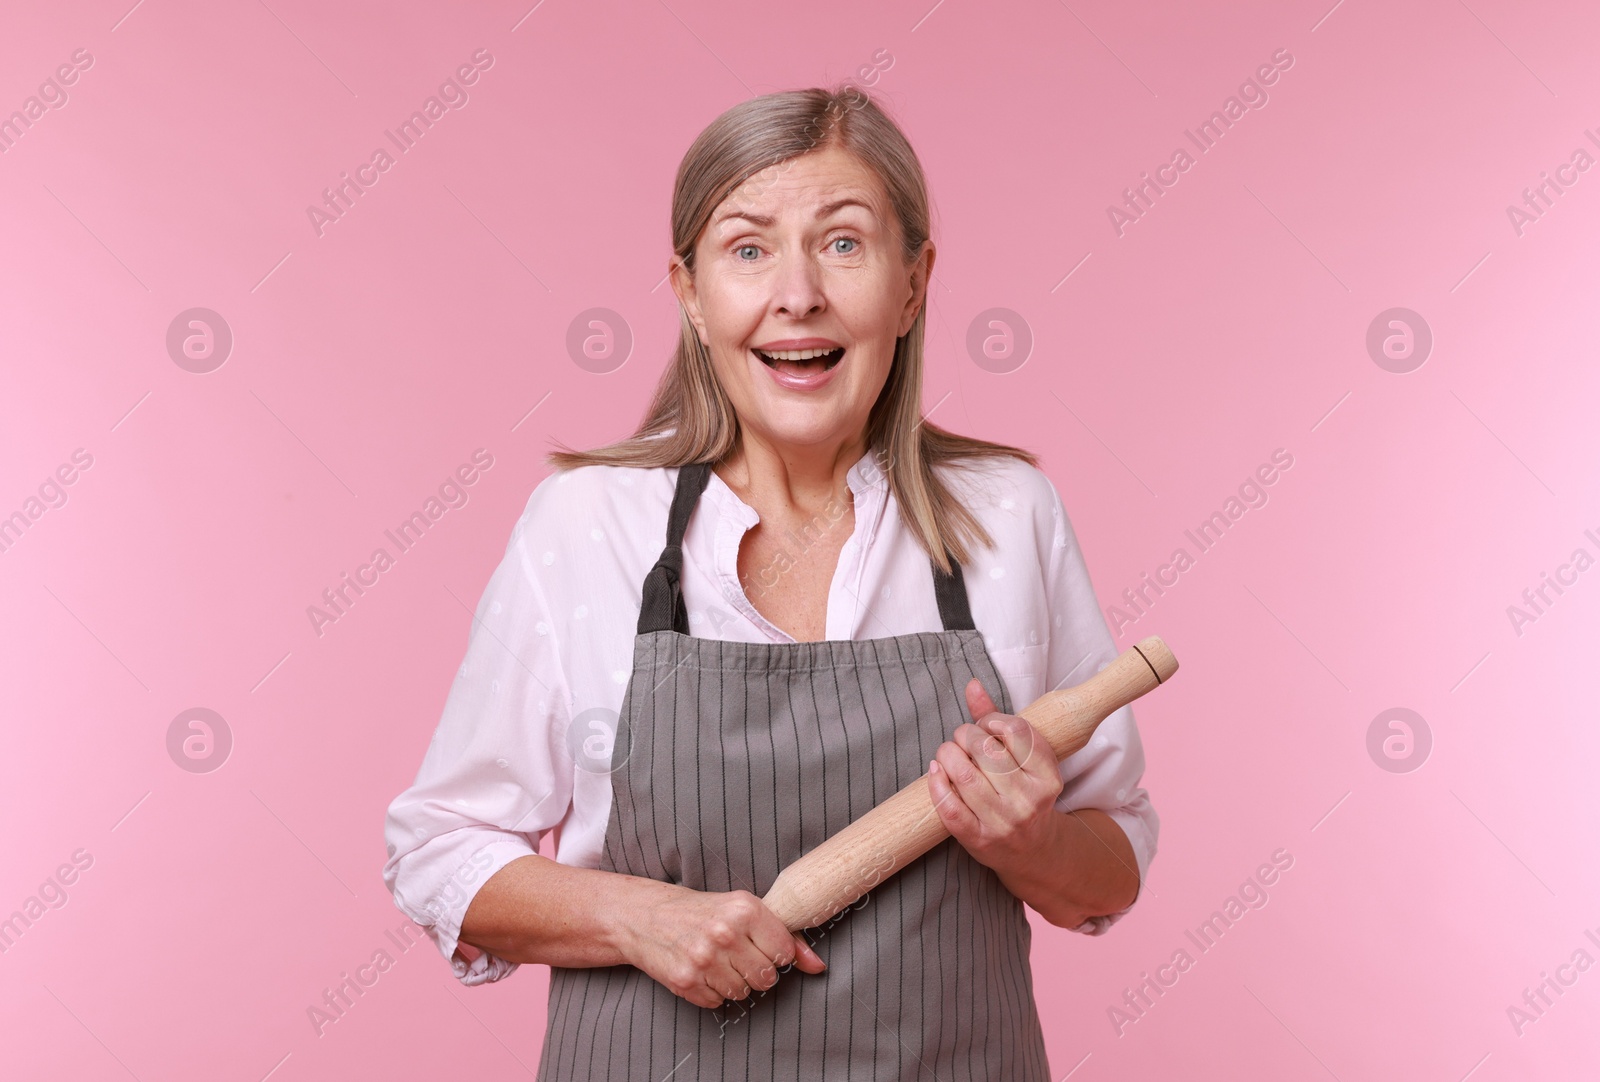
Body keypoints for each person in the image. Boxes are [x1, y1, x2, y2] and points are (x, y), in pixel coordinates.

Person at [382, 84, 1159, 1081]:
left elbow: (1107, 868)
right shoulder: (587, 525)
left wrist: (1032, 839)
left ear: (912, 284)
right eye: (748, 249)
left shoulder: (1005, 514)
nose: (797, 294)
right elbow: (438, 850)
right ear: (690, 291)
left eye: (843, 243)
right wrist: (638, 914)